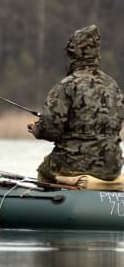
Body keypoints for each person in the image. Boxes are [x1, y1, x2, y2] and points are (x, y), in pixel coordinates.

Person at [28, 25, 124, 184]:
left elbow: (50, 130)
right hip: (111, 168)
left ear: (73, 54)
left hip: (72, 165)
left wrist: (37, 129)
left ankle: (51, 204)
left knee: (45, 169)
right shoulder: (113, 86)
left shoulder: (67, 86)